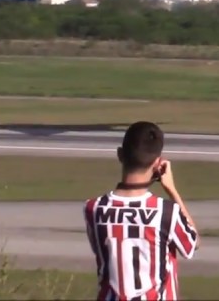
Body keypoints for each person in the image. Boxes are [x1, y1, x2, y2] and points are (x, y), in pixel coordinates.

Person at [84, 121, 200, 301]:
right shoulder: (166, 212)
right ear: (157, 163)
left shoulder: (94, 209)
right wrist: (171, 189)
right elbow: (192, 244)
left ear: (120, 155)